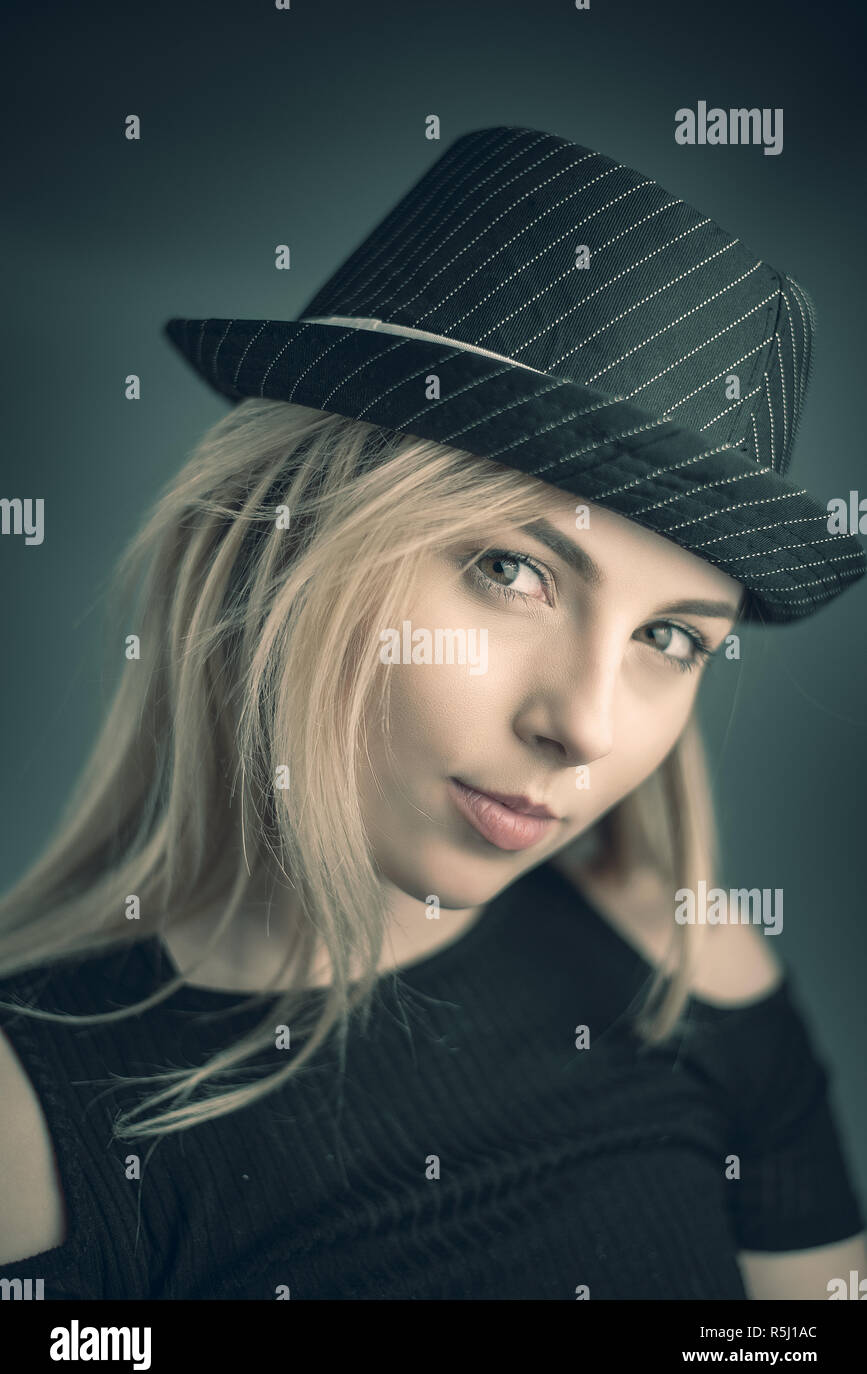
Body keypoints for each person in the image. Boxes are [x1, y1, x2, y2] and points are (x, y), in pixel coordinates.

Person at [0, 125, 864, 1301]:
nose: (588, 727)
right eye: (513, 570)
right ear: (283, 533)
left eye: (672, 639)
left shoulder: (688, 970)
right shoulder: (30, 1125)